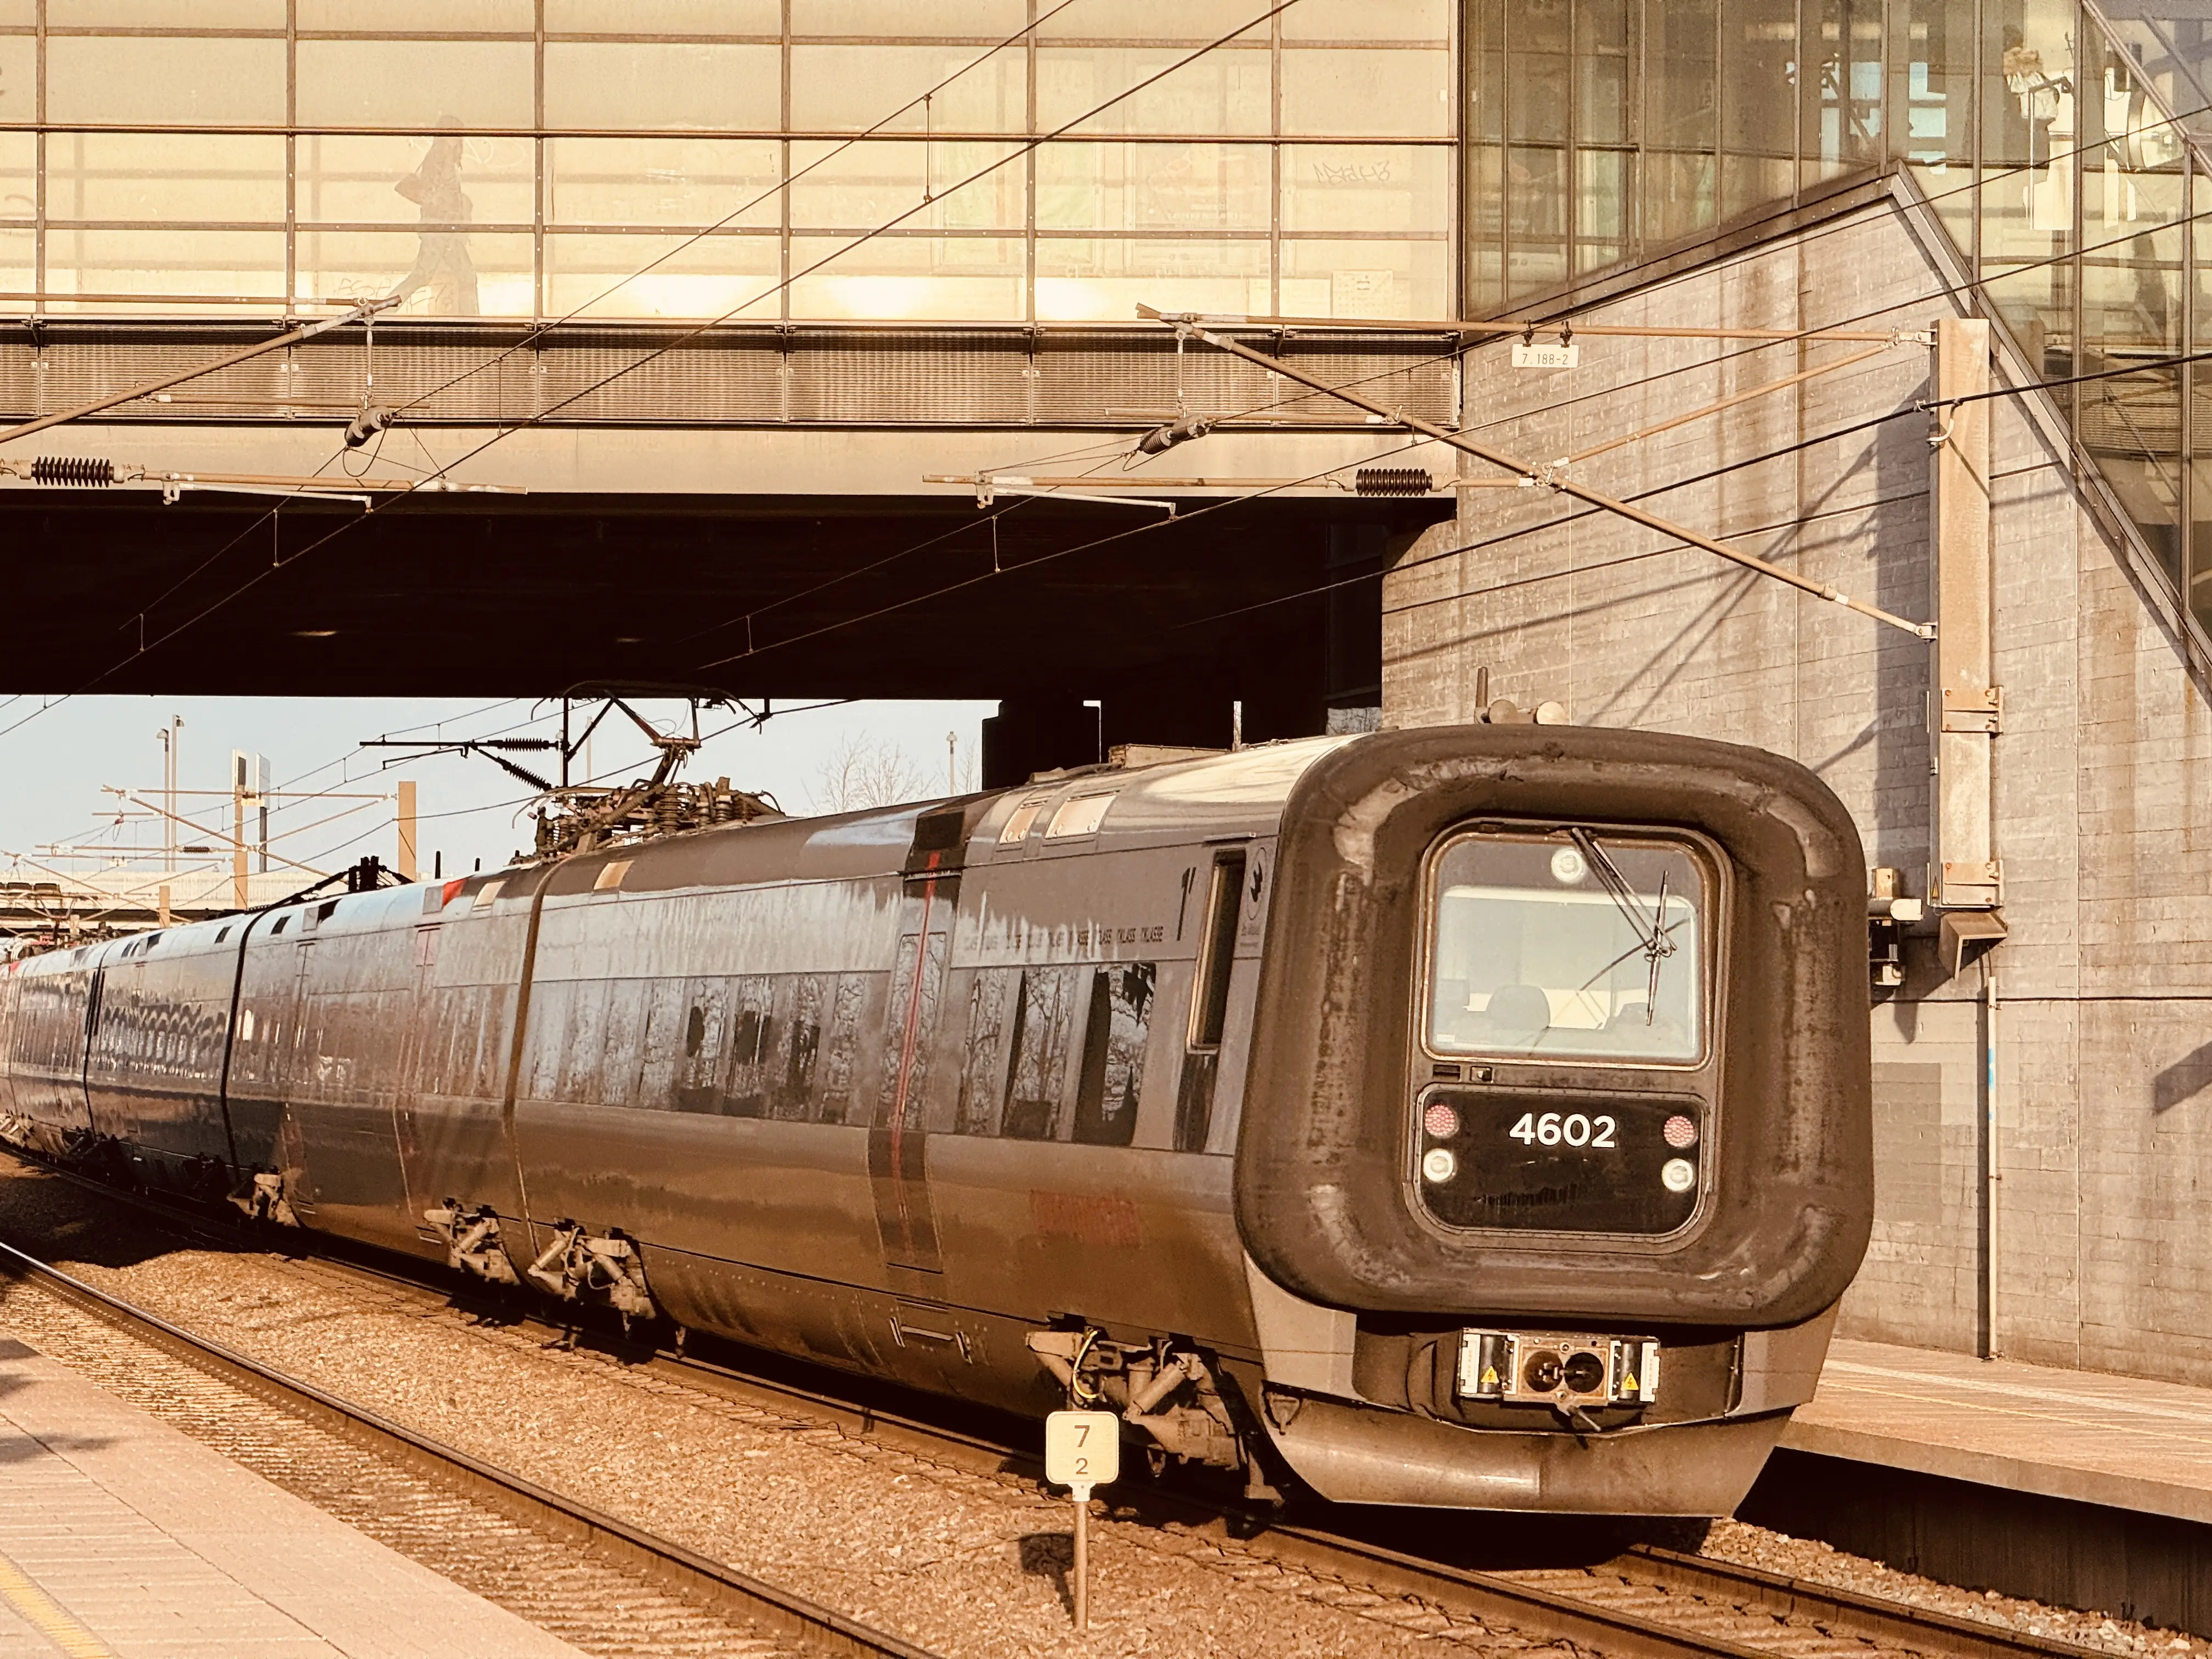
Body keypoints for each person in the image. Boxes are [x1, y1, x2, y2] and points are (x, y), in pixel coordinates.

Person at [388, 119, 478, 317]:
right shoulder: (440, 158)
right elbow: (437, 196)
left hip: (443, 229)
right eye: (451, 133)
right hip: (441, 229)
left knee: (464, 275)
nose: (455, 138)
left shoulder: (446, 159)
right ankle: (380, 312)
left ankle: (473, 320)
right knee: (426, 275)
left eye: (457, 133)